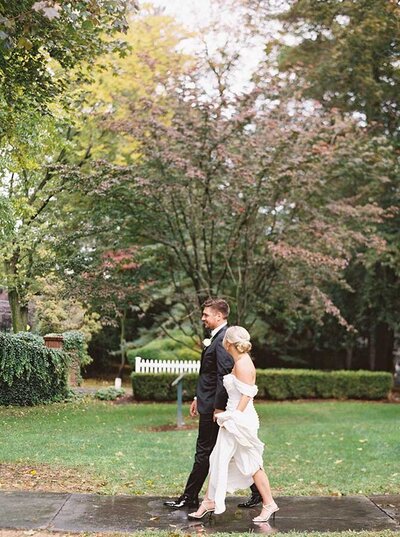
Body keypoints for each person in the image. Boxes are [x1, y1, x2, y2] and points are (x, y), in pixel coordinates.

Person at [164, 298, 261, 509]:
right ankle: (259, 492)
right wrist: (198, 398)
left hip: (215, 410)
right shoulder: (217, 339)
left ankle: (190, 497)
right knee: (232, 451)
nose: (203, 318)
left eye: (206, 314)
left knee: (204, 451)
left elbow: (224, 378)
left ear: (219, 316)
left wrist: (217, 408)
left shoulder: (223, 341)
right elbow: (210, 374)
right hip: (207, 403)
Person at [187, 326, 278, 524]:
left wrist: (233, 417)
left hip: (239, 421)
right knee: (217, 458)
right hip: (233, 419)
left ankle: (269, 503)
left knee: (251, 464)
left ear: (228, 343)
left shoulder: (243, 365)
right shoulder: (240, 361)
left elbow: (247, 394)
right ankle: (210, 501)